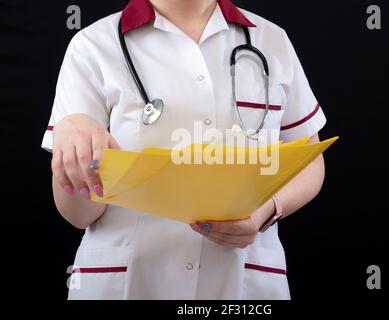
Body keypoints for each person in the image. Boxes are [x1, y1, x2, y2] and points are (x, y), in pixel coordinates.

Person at [42, 0, 327, 299]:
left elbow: (310, 160)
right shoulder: (92, 45)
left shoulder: (271, 40)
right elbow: (78, 215)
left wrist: (265, 210)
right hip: (127, 283)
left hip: (244, 285)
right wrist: (76, 153)